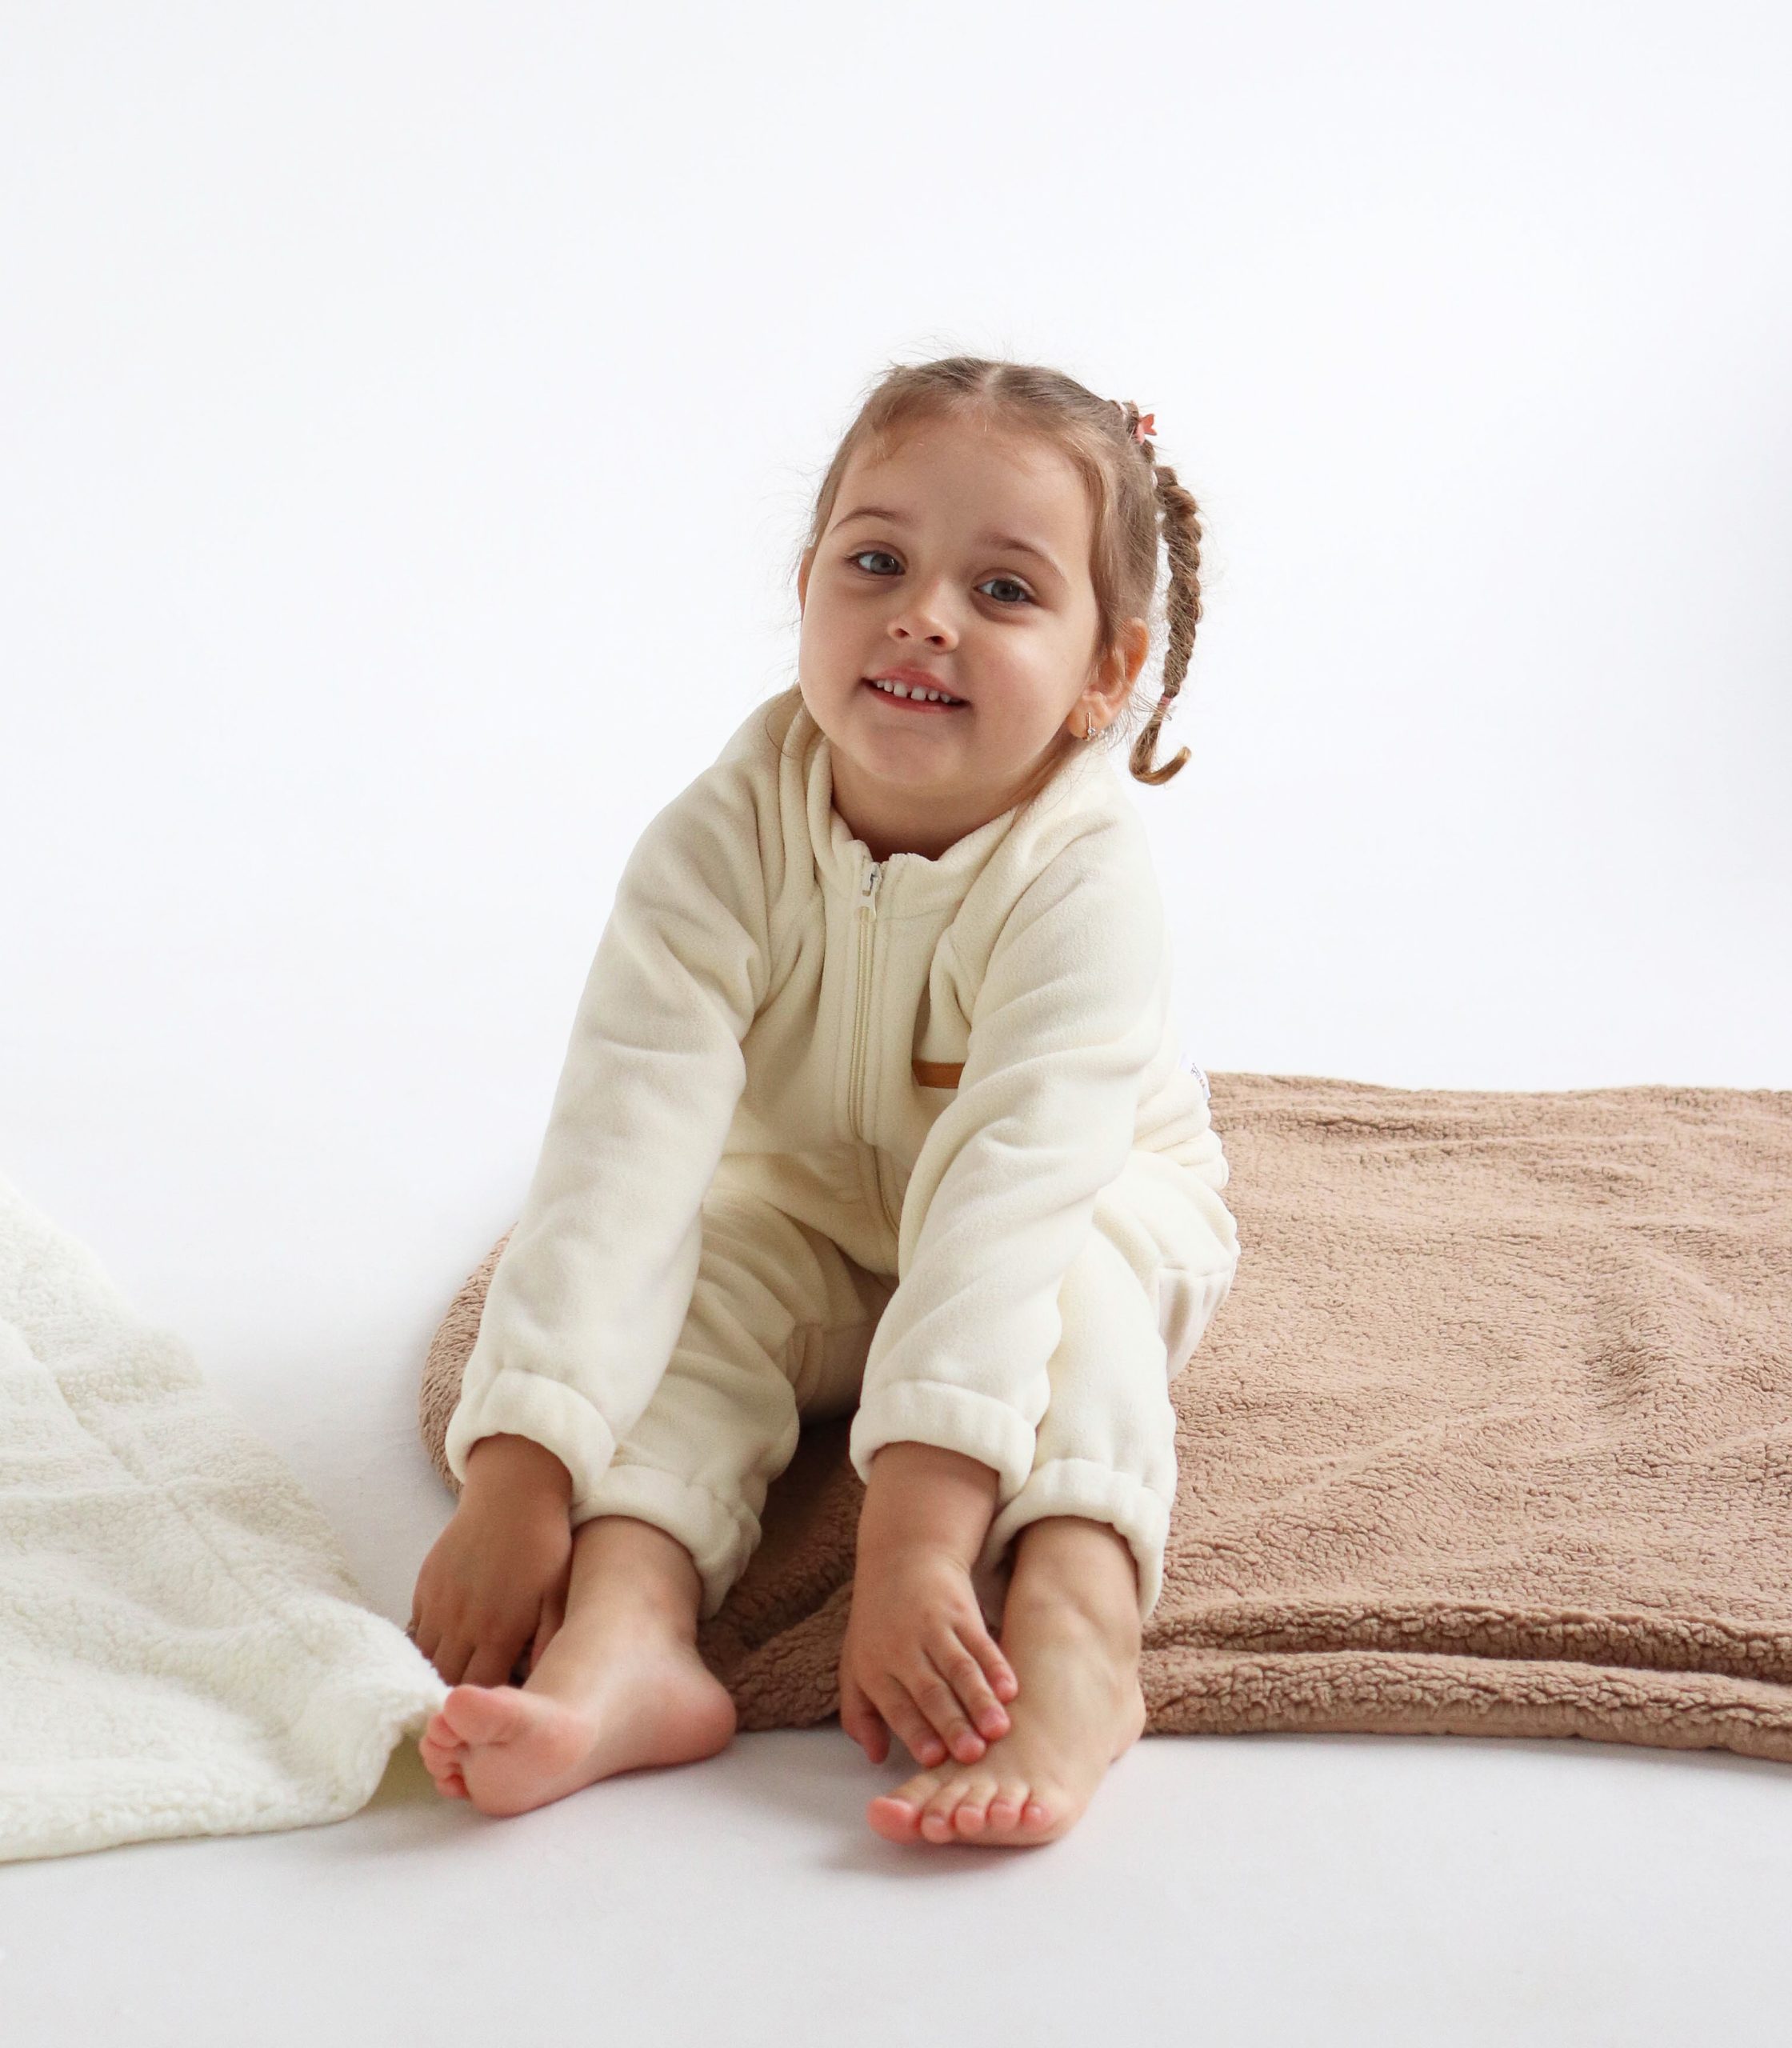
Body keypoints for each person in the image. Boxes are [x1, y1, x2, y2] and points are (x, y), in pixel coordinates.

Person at [409, 354, 1242, 1847]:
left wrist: (916, 1541)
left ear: (1104, 673)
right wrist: (520, 1470)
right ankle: (631, 1638)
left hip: (1086, 1204)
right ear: (807, 587)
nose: (924, 615)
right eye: (877, 563)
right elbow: (619, 1151)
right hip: (812, 1211)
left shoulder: (1082, 881)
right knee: (695, 1284)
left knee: (1082, 1297)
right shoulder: (721, 835)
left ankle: (1076, 1635)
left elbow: (1007, 1206)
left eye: (1004, 590)